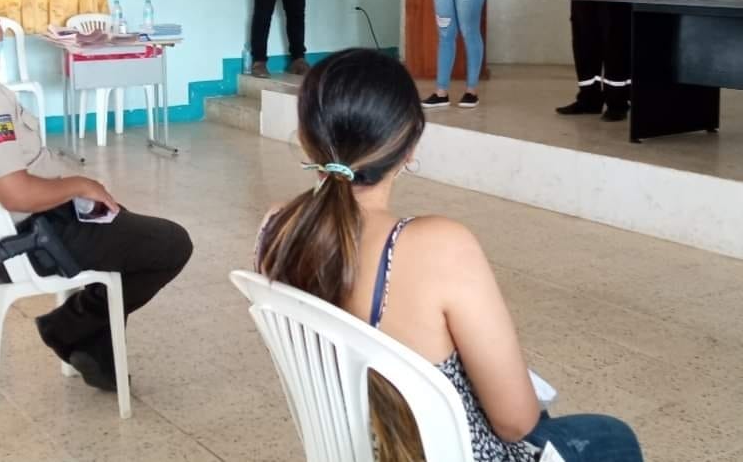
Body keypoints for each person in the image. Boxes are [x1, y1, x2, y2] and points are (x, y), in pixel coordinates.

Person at [256, 48, 643, 462]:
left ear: (305, 139)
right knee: (612, 436)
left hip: (361, 449)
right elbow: (515, 423)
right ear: (409, 147)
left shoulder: (276, 229)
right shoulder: (437, 246)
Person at [0, 0, 193, 392]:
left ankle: (93, 347)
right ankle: (67, 326)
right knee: (169, 243)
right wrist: (79, 184)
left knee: (122, 227)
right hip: (19, 243)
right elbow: (15, 194)